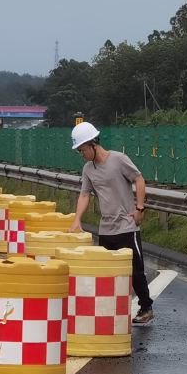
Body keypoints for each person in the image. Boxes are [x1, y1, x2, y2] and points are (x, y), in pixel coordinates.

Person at [67, 122, 154, 324]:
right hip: (106, 228)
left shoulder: (118, 159)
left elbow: (139, 179)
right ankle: (110, 310)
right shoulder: (88, 169)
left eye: (82, 150)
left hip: (126, 226)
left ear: (93, 144)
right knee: (107, 272)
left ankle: (146, 307)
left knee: (135, 270)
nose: (81, 154)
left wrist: (140, 208)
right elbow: (84, 195)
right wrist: (77, 219)